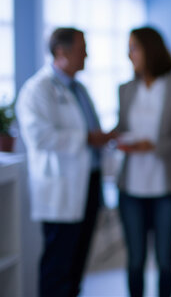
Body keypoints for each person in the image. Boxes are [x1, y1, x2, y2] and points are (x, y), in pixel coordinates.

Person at [16, 27, 115, 296]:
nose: (87, 55)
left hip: (88, 183)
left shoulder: (79, 88)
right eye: (82, 49)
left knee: (77, 263)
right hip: (61, 189)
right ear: (61, 52)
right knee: (57, 265)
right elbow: (39, 137)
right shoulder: (37, 90)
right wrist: (87, 138)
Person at [113, 27, 171, 297]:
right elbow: (121, 127)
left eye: (134, 47)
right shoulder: (125, 90)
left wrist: (155, 146)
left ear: (150, 49)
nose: (129, 53)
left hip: (167, 188)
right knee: (135, 262)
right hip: (131, 188)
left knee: (165, 261)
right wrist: (119, 140)